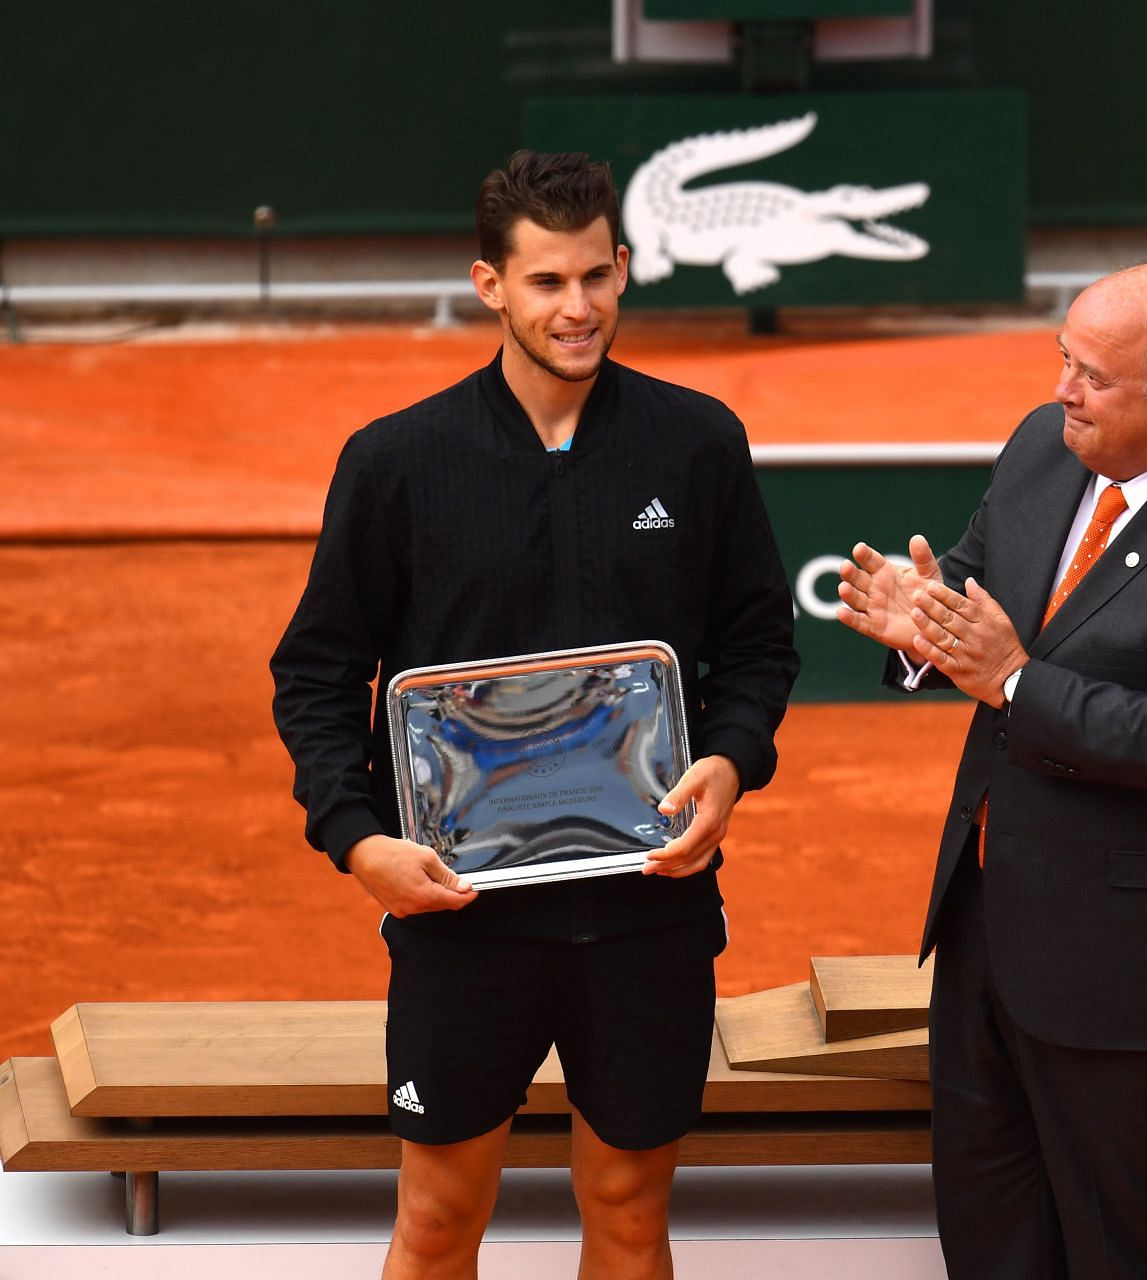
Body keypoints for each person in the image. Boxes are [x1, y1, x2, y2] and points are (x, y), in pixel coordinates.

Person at [269, 150, 798, 1279]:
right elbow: (317, 672)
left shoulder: (698, 442)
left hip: (647, 912)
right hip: (464, 921)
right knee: (439, 1219)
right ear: (489, 285)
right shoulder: (397, 461)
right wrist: (357, 839)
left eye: (597, 276)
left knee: (626, 1209)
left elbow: (757, 642)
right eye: (548, 282)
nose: (579, 307)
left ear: (623, 271)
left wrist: (733, 763)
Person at [836, 263, 1147, 1278]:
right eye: (1063, 359)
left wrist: (1013, 681)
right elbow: (978, 588)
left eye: (1093, 375)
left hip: (1145, 974)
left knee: (1131, 1253)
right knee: (990, 1242)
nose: (1064, 388)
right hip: (992, 930)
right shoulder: (1041, 447)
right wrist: (920, 625)